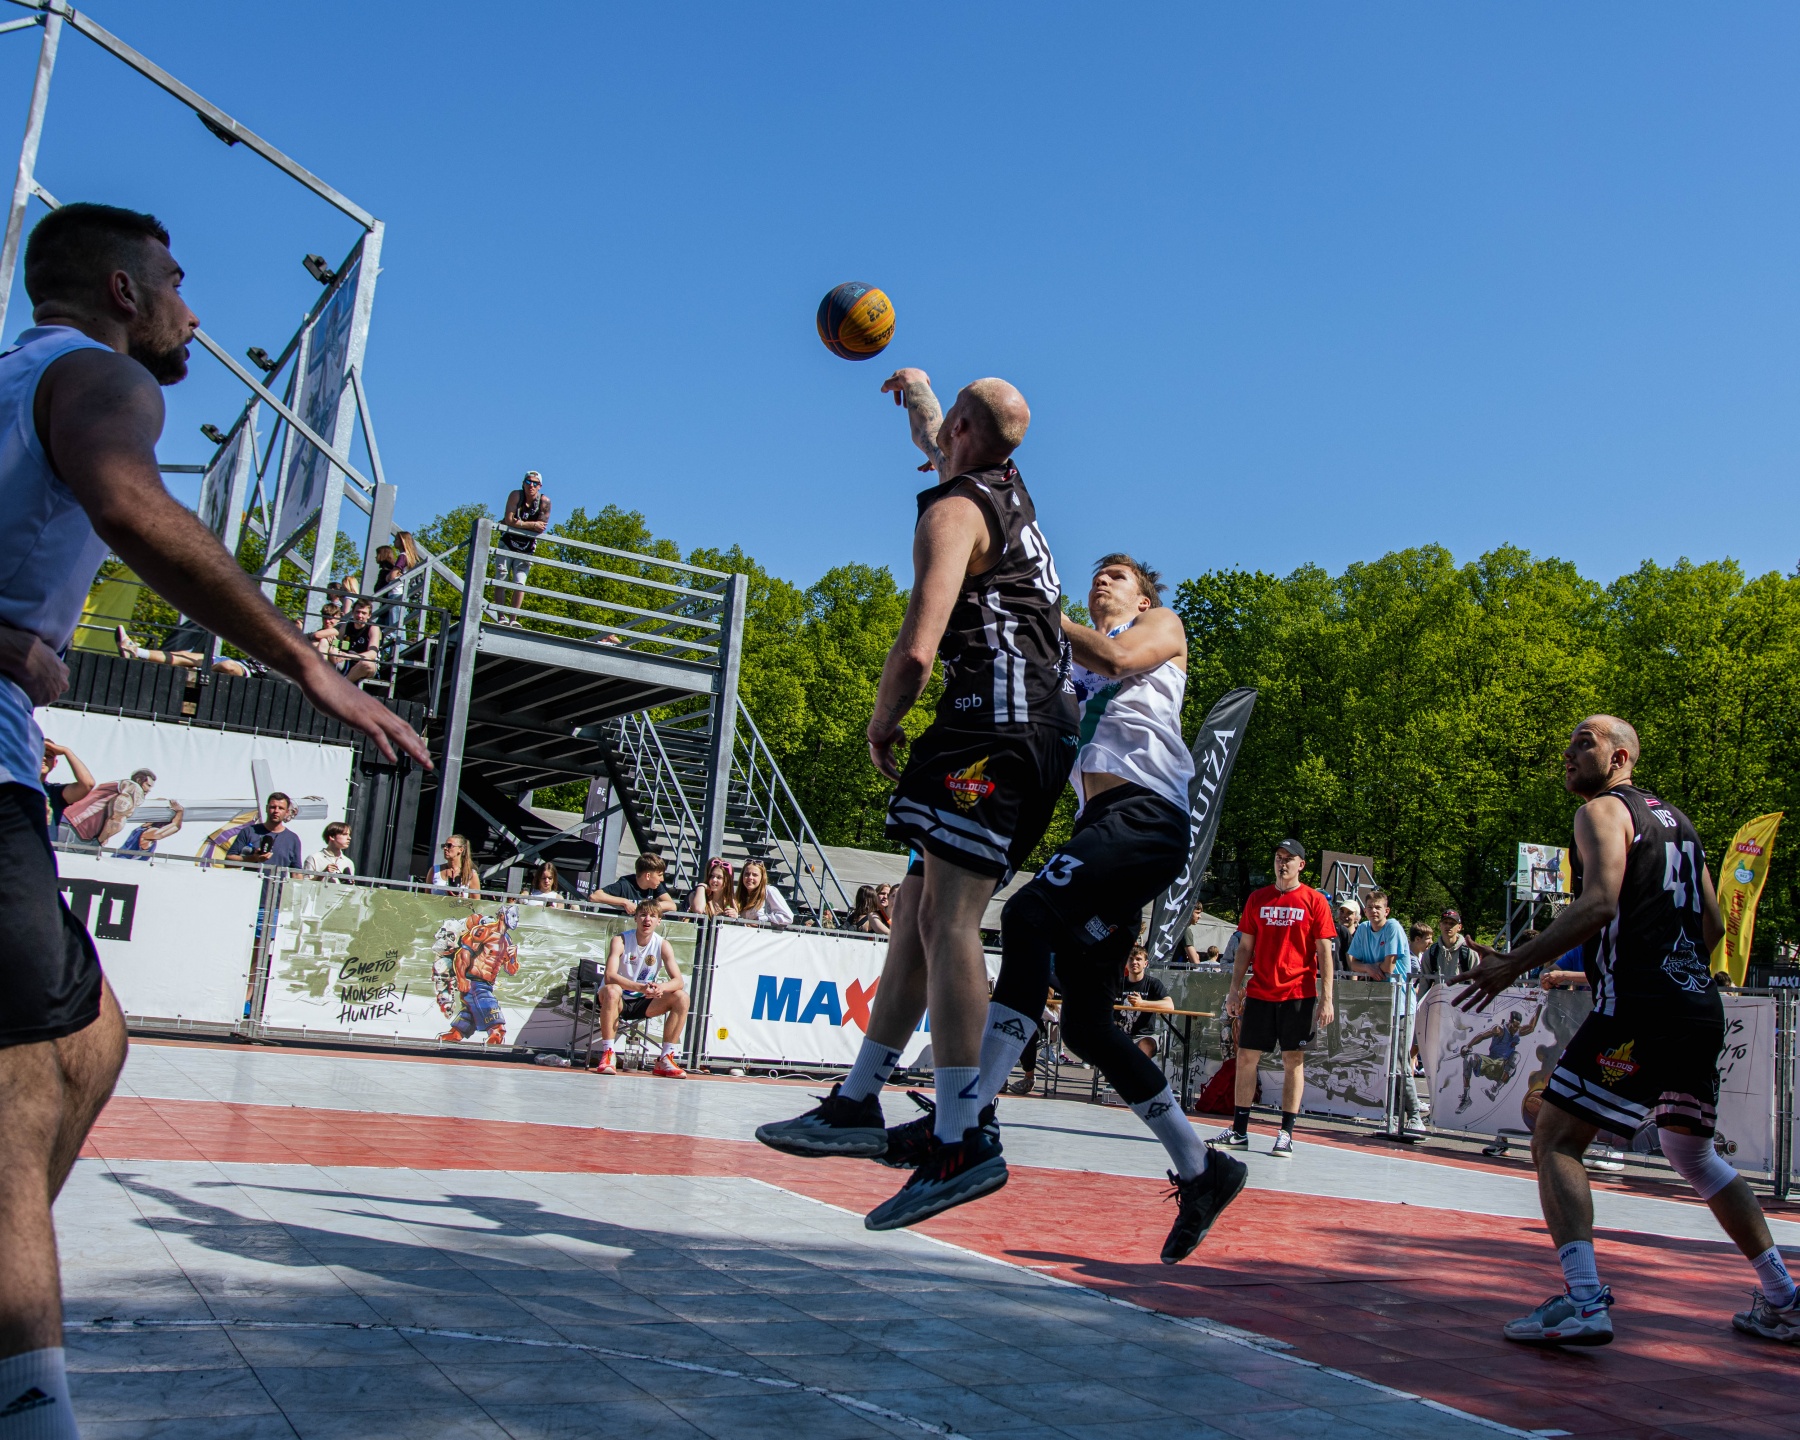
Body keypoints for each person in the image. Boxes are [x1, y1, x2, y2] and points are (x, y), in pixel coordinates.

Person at [0, 201, 428, 1435]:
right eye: (178, 282)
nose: (194, 311)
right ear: (123, 292)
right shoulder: (99, 377)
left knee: (88, 1042)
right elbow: (133, 506)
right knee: (21, 1087)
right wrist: (309, 664)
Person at [756, 365, 1081, 1237]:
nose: (937, 441)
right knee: (914, 910)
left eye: (946, 429)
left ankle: (961, 1134)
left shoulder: (953, 512)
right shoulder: (1006, 484)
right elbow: (947, 435)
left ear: (963, 436)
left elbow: (916, 648)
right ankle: (857, 1099)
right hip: (1030, 725)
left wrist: (882, 723)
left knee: (948, 920)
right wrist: (920, 389)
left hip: (994, 725)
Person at [1454, 714, 1798, 1346]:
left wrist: (1512, 964)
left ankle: (1585, 1301)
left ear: (1620, 759)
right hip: (1697, 1008)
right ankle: (1785, 1297)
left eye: (1583, 743)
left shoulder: (1601, 813)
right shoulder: (1680, 824)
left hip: (1639, 1007)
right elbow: (1714, 926)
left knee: (1555, 1138)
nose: (1568, 753)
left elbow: (1600, 903)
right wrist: (1670, 964)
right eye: (1568, 743)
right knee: (1693, 1155)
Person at [1215, 839, 1336, 1156]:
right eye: (1278, 857)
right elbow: (1244, 947)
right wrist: (1234, 989)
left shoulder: (1314, 900)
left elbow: (1325, 952)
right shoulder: (1258, 898)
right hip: (1260, 992)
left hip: (1298, 993)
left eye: (1289, 858)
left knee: (1293, 1060)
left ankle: (1286, 1133)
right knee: (1246, 1057)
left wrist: (1327, 998)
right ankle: (1239, 1130)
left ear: (1301, 865)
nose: (1282, 863)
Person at [1347, 889, 1422, 1135]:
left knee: (1399, 1061)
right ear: (1365, 910)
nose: (1374, 911)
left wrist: (1368, 967)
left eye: (1378, 907)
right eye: (1370, 908)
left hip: (1400, 1004)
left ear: (1386, 910)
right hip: (1378, 1004)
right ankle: (1393, 1116)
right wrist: (1369, 968)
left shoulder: (1393, 928)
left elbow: (1389, 966)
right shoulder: (1363, 930)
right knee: (1382, 1062)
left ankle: (1415, 1115)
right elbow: (1351, 961)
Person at [593, 900, 688, 1078]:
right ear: (635, 918)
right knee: (612, 990)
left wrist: (661, 987)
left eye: (652, 916)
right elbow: (610, 976)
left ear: (659, 921)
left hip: (643, 1001)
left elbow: (678, 981)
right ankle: (608, 1054)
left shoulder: (662, 944)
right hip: (617, 1000)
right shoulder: (620, 940)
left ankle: (665, 1058)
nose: (647, 919)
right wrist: (641, 987)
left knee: (682, 997)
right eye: (643, 915)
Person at [496, 471, 551, 623]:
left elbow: (541, 527)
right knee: (501, 578)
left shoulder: (544, 502)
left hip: (527, 547)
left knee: (520, 583)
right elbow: (509, 520)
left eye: (535, 483)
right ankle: (501, 617)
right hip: (508, 542)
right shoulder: (516, 495)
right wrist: (531, 525)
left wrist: (518, 523)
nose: (531, 486)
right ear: (523, 483)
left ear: (540, 486)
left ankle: (513, 619)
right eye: (528, 482)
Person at [61, 766, 156, 847]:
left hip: (70, 824)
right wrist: (101, 839)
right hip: (75, 828)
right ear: (139, 780)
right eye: (148, 785)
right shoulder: (133, 787)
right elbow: (118, 814)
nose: (149, 790)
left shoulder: (118, 786)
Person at [113, 622, 250, 677]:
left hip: (253, 672)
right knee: (185, 656)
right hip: (244, 662)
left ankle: (135, 652)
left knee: (227, 666)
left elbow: (228, 667)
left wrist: (205, 670)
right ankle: (134, 651)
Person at [1115, 944, 1173, 1061]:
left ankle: (1137, 1071)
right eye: (1131, 959)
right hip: (1119, 1034)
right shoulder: (1117, 984)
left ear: (1145, 963)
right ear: (1126, 963)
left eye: (1138, 959)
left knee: (1145, 1045)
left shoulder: (1153, 983)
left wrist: (1142, 1003)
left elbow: (1169, 1006)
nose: (1134, 962)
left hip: (1145, 1035)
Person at [224, 792, 303, 870]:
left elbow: (296, 873)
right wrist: (253, 858)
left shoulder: (292, 839)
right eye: (273, 807)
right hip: (252, 879)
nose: (276, 811)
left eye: (281, 808)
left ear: (287, 812)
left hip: (276, 879)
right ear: (266, 808)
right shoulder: (249, 831)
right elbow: (228, 862)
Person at [593, 852, 677, 916]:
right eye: (659, 875)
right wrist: (624, 902)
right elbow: (595, 896)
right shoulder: (624, 884)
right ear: (648, 876)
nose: (662, 879)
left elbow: (672, 906)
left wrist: (647, 907)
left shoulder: (655, 885)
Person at [39, 740, 94, 836]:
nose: (44, 758)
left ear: (55, 763)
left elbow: (87, 784)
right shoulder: (15, 787)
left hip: (45, 845)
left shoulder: (54, 792)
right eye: (39, 754)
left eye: (49, 756)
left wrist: (66, 751)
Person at [333, 596, 381, 685]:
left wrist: (349, 656)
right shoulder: (346, 626)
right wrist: (333, 644)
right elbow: (336, 643)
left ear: (369, 615)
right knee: (327, 649)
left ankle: (342, 685)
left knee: (366, 663)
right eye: (357, 612)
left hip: (364, 665)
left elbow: (372, 654)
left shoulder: (373, 628)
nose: (360, 616)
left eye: (363, 613)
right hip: (346, 662)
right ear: (352, 613)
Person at [115, 799, 182, 860]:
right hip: (123, 863)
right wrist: (180, 812)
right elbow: (175, 827)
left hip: (121, 862)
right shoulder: (147, 832)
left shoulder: (143, 830)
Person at [735, 858, 794, 926]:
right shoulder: (738, 895)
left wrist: (762, 919)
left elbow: (788, 917)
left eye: (755, 875)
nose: (750, 877)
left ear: (762, 878)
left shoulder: (769, 891)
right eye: (747, 874)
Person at [1423, 909, 1472, 982]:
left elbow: (1477, 981)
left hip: (1463, 989)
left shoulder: (1468, 952)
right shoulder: (1431, 953)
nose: (1448, 926)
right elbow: (1424, 984)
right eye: (1445, 922)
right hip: (1438, 989)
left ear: (1459, 927)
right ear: (1440, 925)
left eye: (1452, 923)